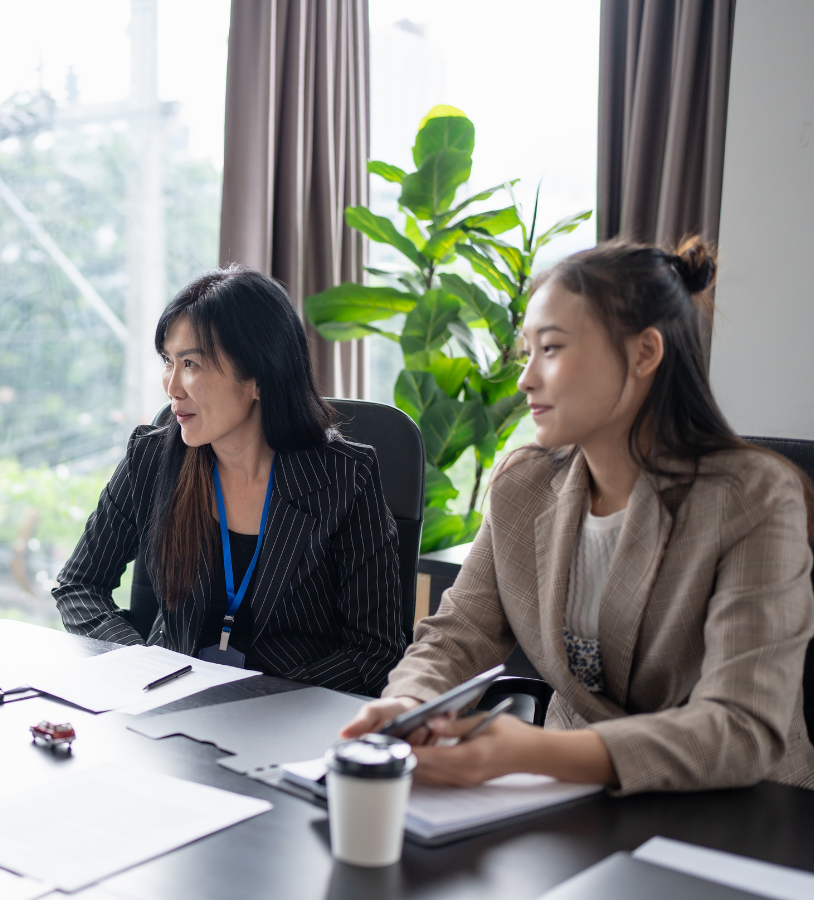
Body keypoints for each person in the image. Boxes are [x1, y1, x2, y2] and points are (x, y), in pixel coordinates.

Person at [341, 237, 814, 794]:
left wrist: (537, 751)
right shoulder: (524, 485)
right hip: (570, 805)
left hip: (740, 815)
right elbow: (458, 633)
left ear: (644, 354)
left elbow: (741, 727)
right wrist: (408, 703)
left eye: (553, 349)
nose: (525, 378)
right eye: (528, 351)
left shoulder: (754, 497)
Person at [52, 267, 407, 695]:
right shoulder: (152, 458)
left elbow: (376, 651)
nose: (172, 386)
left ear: (259, 377)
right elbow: (79, 584)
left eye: (191, 364)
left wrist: (259, 699)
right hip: (165, 706)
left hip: (285, 723)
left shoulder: (345, 479)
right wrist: (143, 663)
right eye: (168, 361)